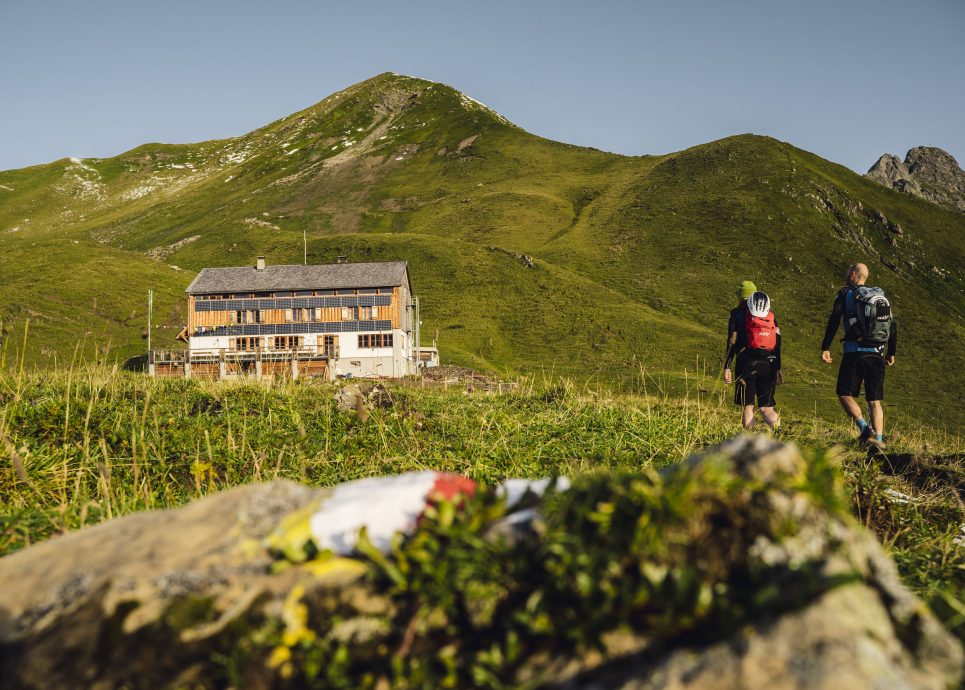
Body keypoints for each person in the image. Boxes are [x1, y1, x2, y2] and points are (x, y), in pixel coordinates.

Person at [821, 263, 897, 451]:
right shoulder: (879, 295)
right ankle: (879, 440)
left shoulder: (845, 293)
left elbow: (835, 318)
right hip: (877, 354)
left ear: (854, 275)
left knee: (844, 393)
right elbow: (892, 325)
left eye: (848, 272)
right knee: (874, 401)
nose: (846, 274)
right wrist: (891, 352)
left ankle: (865, 430)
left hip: (855, 353)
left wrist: (825, 346)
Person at [724, 281, 783, 430]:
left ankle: (751, 441)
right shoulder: (770, 316)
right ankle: (780, 433)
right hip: (769, 363)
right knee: (766, 409)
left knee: (748, 407)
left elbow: (732, 341)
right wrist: (777, 368)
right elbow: (777, 343)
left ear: (740, 296)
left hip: (746, 363)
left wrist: (727, 366)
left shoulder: (736, 314)